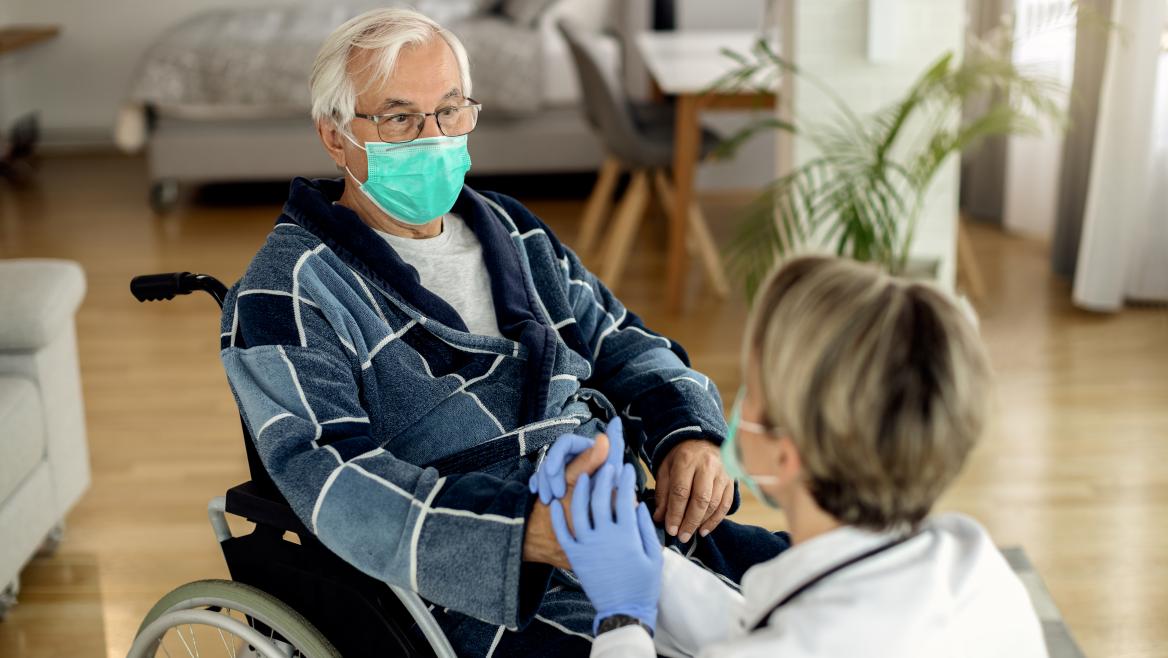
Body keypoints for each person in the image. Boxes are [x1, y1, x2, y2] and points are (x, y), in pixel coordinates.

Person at [217, 8, 787, 655]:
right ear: (335, 134)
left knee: (815, 599)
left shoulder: (510, 230)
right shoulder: (287, 291)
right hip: (477, 584)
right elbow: (333, 480)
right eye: (400, 118)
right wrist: (523, 531)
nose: (433, 137)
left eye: (451, 110)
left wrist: (689, 436)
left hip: (617, 517)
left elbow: (623, 339)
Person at [535, 256, 1050, 657]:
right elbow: (757, 621)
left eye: (752, 391)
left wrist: (622, 619)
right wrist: (646, 563)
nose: (735, 406)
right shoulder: (973, 559)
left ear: (785, 455)